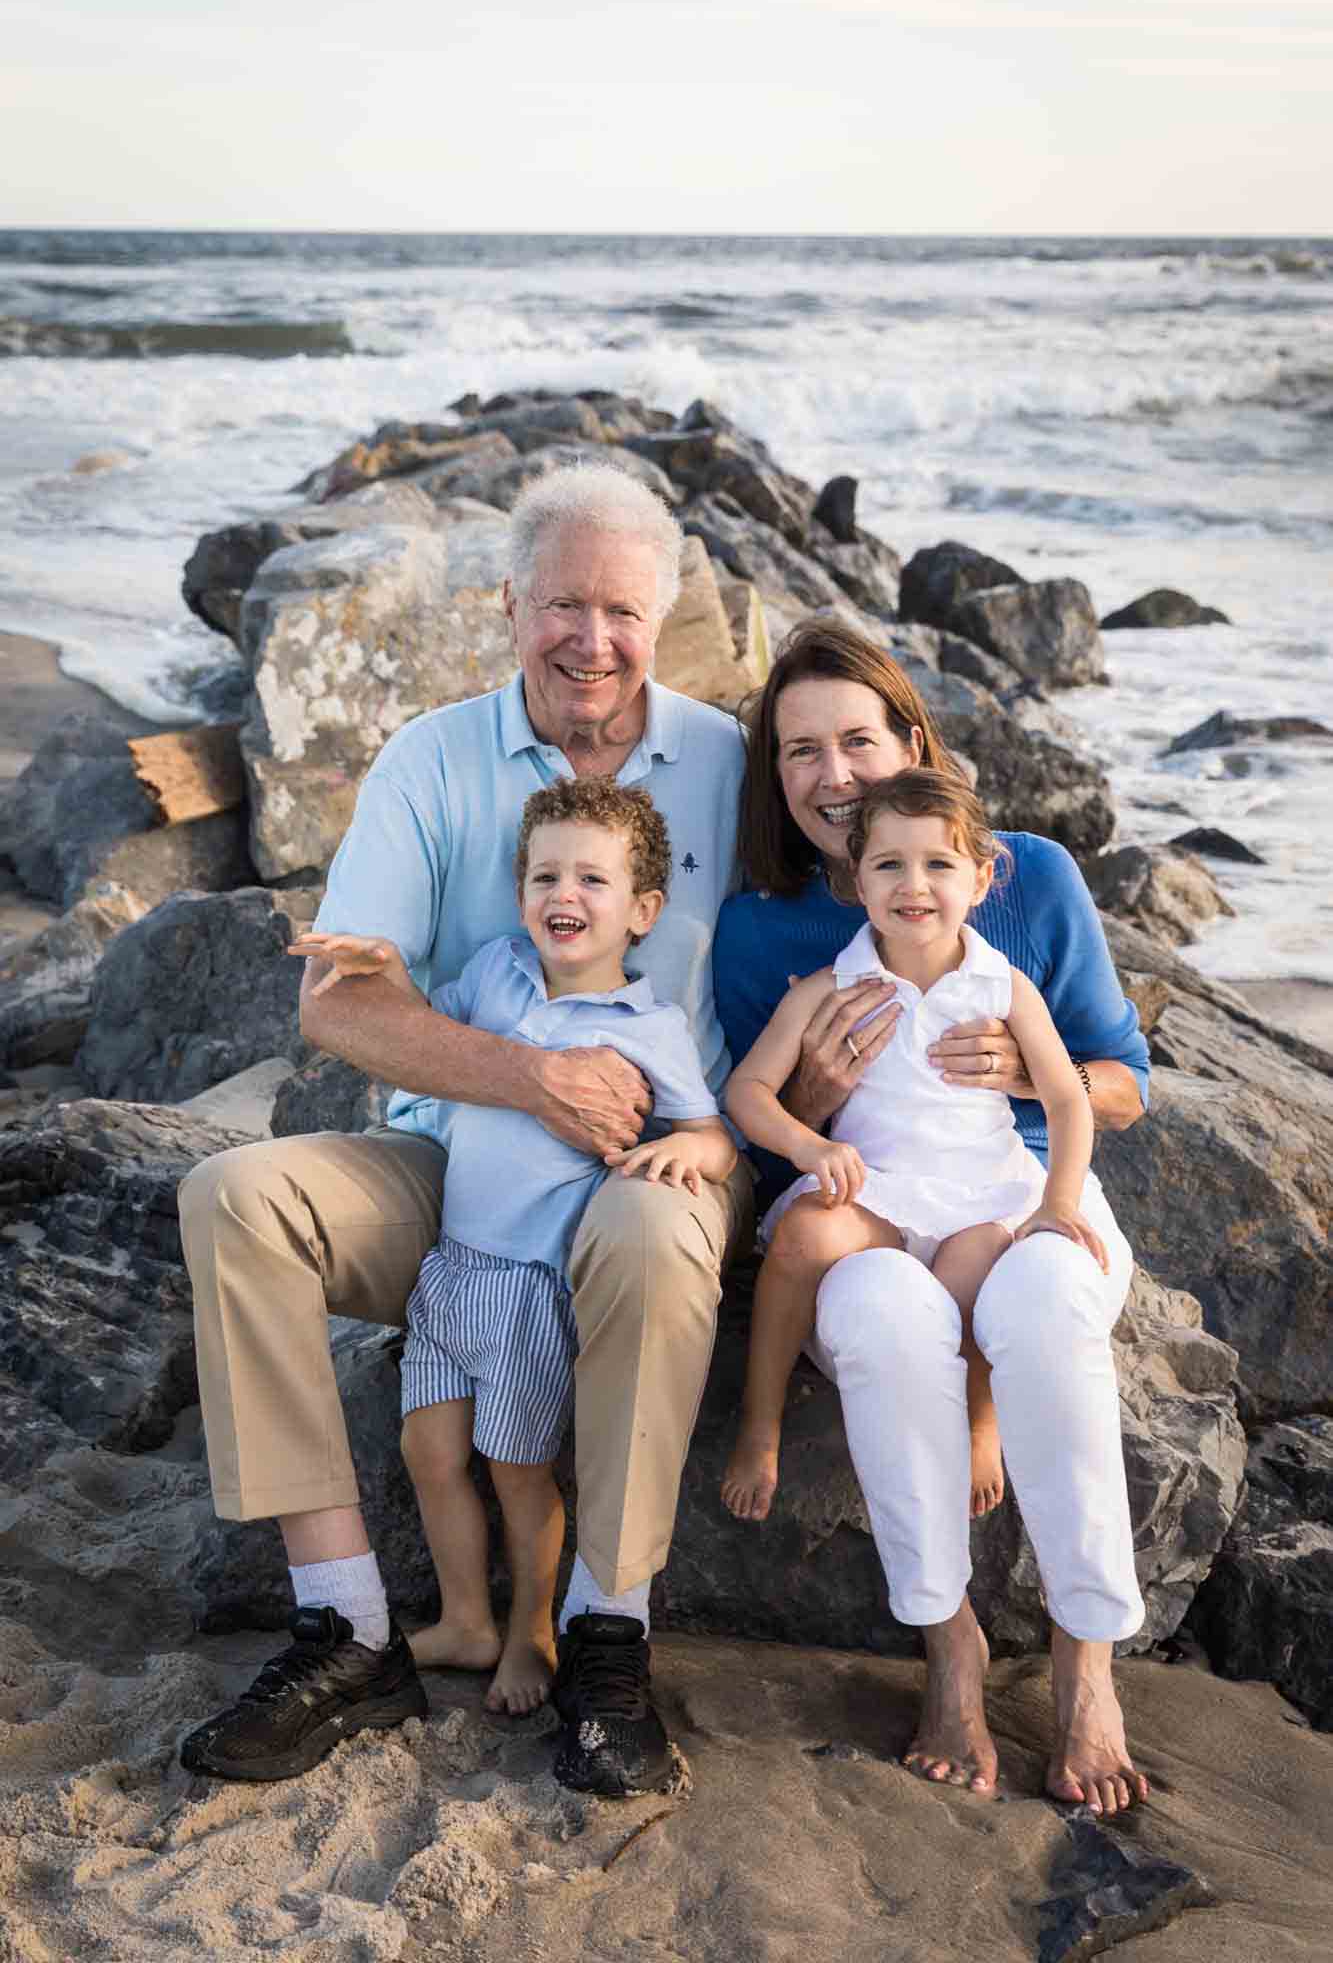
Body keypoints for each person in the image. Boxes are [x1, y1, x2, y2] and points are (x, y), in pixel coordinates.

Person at [177, 463, 753, 1796]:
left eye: (620, 610)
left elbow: (885, 862)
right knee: (233, 1197)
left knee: (659, 1228)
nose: (590, 640)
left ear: (661, 617)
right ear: (509, 606)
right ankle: (349, 1626)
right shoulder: (434, 760)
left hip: (646, 1172)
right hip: (463, 1176)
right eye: (563, 605)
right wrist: (528, 1078)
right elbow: (340, 1002)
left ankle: (609, 1641)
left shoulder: (729, 767)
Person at [712, 621, 1151, 1815]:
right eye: (799, 749)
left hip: (1006, 1188)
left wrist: (1020, 1073)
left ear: (913, 738)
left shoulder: (1026, 877)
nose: (833, 771)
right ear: (775, 774)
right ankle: (947, 1641)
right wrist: (811, 1110)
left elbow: (1117, 1079)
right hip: (870, 1200)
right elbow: (756, 1119)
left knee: (1044, 1299)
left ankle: (1083, 1659)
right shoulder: (767, 928)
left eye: (858, 736)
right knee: (886, 1315)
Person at [288, 778, 735, 1719]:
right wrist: (380, 968)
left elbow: (711, 1133)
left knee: (517, 1471)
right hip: (450, 1270)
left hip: (533, 1287)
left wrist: (675, 1151)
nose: (561, 895)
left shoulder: (647, 1027)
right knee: (428, 1452)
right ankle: (464, 1620)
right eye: (542, 875)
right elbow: (430, 1030)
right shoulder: (495, 971)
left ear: (642, 910)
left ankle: (533, 1626)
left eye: (590, 879)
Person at [722, 767, 1110, 1532]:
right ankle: (759, 1425)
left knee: (974, 1280)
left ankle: (978, 1426)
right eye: (888, 864)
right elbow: (746, 1093)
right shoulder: (830, 987)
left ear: (980, 877)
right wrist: (806, 1146)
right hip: (880, 1188)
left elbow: (1067, 1097)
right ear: (854, 881)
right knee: (801, 1236)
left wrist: (1056, 1202)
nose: (914, 884)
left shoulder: (1002, 988)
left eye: (939, 864)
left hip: (981, 1192)